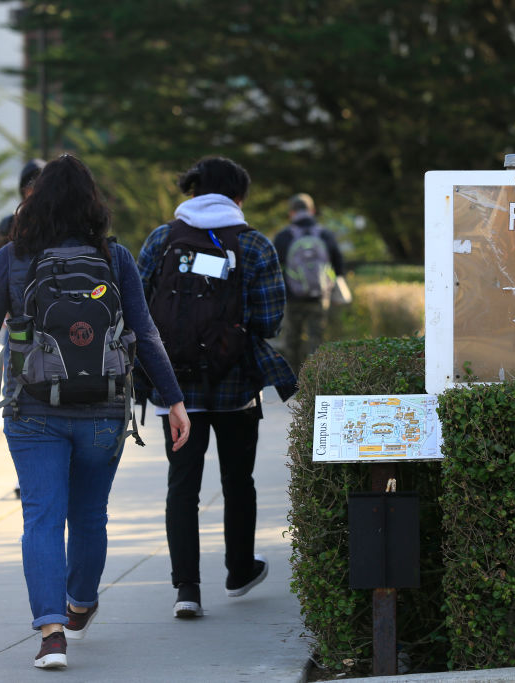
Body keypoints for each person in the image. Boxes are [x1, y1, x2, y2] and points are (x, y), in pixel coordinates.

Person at [0, 154, 191, 670]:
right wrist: (174, 399)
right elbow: (146, 334)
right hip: (104, 409)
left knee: (42, 517)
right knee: (89, 515)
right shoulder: (115, 258)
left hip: (32, 408)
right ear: (93, 204)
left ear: (34, 202)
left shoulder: (12, 257)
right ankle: (81, 603)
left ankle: (51, 635)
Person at [137, 155, 296, 619]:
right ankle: (239, 570)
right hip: (236, 387)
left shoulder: (162, 239)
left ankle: (186, 590)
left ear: (192, 192)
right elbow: (269, 319)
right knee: (238, 481)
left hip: (176, 390)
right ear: (238, 197)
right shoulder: (255, 244)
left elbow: (139, 308)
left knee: (182, 486)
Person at [272, 192, 346, 373]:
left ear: (291, 212)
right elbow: (338, 266)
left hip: (292, 297)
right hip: (319, 297)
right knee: (316, 340)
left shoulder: (284, 236)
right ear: (312, 210)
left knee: (292, 340)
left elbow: (273, 267)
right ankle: (315, 379)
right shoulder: (325, 235)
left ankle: (293, 379)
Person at [0, 158, 45, 266]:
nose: (36, 194)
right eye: (31, 187)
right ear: (24, 192)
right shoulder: (8, 226)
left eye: (40, 188)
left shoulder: (58, 226)